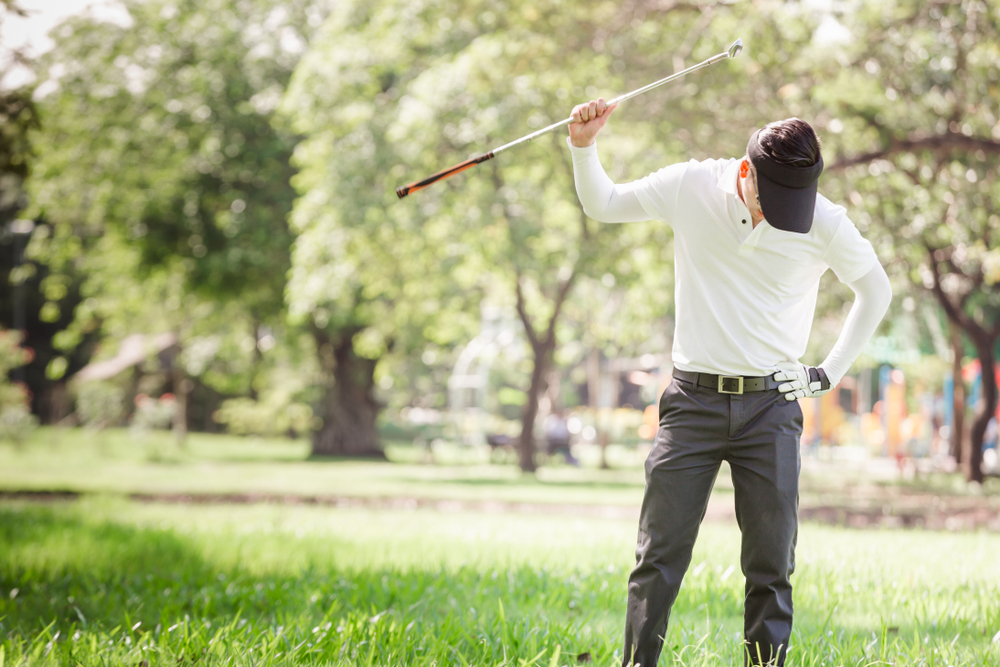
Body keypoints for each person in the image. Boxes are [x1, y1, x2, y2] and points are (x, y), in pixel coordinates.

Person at [566, 98, 892, 667]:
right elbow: (604, 203)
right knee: (657, 559)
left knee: (771, 567)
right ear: (746, 174)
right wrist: (584, 146)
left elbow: (876, 290)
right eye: (774, 203)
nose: (781, 217)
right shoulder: (689, 185)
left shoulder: (822, 219)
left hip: (772, 407)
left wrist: (826, 373)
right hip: (691, 403)